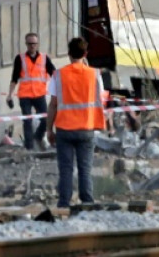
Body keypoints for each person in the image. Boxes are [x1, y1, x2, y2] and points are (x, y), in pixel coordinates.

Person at [47, 37, 106, 208]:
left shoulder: (58, 75)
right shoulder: (94, 74)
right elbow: (100, 97)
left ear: (68, 54)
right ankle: (87, 202)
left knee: (66, 169)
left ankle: (64, 203)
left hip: (64, 129)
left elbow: (53, 105)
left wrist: (49, 130)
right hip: (86, 128)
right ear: (85, 54)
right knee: (85, 169)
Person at [6, 33, 55, 150]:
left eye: (34, 43)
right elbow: (14, 78)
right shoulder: (20, 58)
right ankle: (29, 148)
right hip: (25, 95)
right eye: (30, 43)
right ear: (26, 44)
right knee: (27, 121)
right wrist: (9, 95)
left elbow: (54, 74)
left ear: (37, 44)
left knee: (46, 120)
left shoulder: (44, 58)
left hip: (39, 94)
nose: (32, 46)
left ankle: (37, 137)